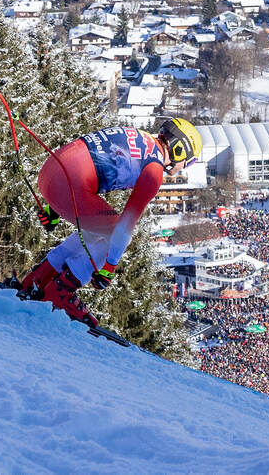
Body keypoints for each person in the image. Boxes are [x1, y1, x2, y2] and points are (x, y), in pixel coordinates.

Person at [16, 119, 202, 327]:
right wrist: (109, 266)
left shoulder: (141, 137)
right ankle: (61, 290)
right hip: (67, 184)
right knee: (115, 233)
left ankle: (38, 278)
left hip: (53, 170)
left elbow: (91, 158)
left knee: (100, 228)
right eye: (190, 161)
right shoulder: (153, 171)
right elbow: (126, 226)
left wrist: (55, 206)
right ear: (180, 149)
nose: (186, 167)